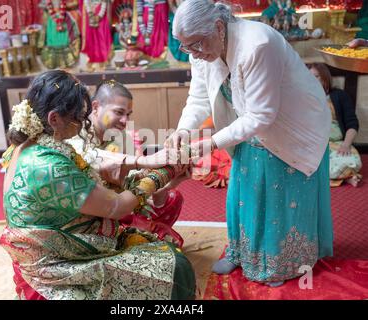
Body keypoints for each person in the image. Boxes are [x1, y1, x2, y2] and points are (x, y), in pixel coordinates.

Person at [167, 0, 333, 287]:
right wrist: (184, 129)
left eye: (196, 45)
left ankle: (282, 264)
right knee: (245, 188)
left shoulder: (258, 44)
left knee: (280, 194)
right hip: (247, 124)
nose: (193, 53)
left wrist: (208, 144)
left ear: (218, 27)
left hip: (291, 123)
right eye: (185, 47)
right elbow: (199, 98)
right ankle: (243, 252)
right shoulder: (201, 47)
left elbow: (262, 115)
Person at [0, 70, 195, 300]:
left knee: (164, 238)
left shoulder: (32, 146)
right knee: (175, 268)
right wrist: (163, 172)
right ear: (54, 119)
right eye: (79, 117)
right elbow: (118, 206)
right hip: (57, 260)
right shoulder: (48, 164)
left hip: (74, 230)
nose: (84, 123)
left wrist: (166, 176)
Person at [68, 79, 186, 246]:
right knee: (169, 245)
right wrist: (144, 161)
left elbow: (134, 183)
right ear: (95, 107)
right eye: (119, 112)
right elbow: (89, 157)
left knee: (173, 199)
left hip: (122, 206)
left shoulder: (121, 136)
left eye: (128, 114)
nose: (125, 121)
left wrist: (173, 180)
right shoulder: (76, 132)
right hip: (91, 215)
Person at [308, 63, 362, 187]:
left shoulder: (339, 95)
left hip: (337, 143)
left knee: (352, 161)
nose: (312, 80)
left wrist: (346, 144)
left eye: (316, 76)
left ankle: (338, 177)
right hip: (314, 144)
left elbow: (352, 123)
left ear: (325, 78)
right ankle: (346, 177)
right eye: (309, 77)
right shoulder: (305, 98)